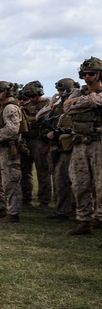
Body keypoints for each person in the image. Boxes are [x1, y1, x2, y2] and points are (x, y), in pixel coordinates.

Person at [64, 57, 102, 235]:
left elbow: (95, 101)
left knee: (100, 185)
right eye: (84, 74)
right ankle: (84, 221)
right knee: (79, 183)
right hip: (80, 143)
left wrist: (79, 103)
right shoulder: (78, 92)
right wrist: (85, 102)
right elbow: (67, 109)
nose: (87, 77)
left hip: (98, 142)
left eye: (91, 74)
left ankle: (100, 219)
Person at [40, 78, 78, 221]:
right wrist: (50, 104)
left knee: (78, 182)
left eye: (63, 91)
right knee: (60, 180)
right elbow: (40, 117)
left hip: (75, 147)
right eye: (59, 91)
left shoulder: (78, 105)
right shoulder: (56, 108)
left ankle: (77, 210)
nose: (60, 93)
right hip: (60, 148)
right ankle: (62, 210)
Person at [0, 80, 24, 222]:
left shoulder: (10, 108)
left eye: (0, 91)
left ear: (8, 92)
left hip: (9, 148)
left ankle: (13, 212)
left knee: (10, 181)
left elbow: (13, 129)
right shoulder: (1, 107)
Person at [18, 81, 52, 208]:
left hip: (40, 141)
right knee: (24, 170)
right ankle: (26, 198)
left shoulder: (48, 105)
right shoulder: (25, 107)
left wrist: (48, 144)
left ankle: (44, 200)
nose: (31, 99)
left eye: (33, 96)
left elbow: (50, 124)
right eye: (29, 96)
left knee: (43, 171)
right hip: (26, 140)